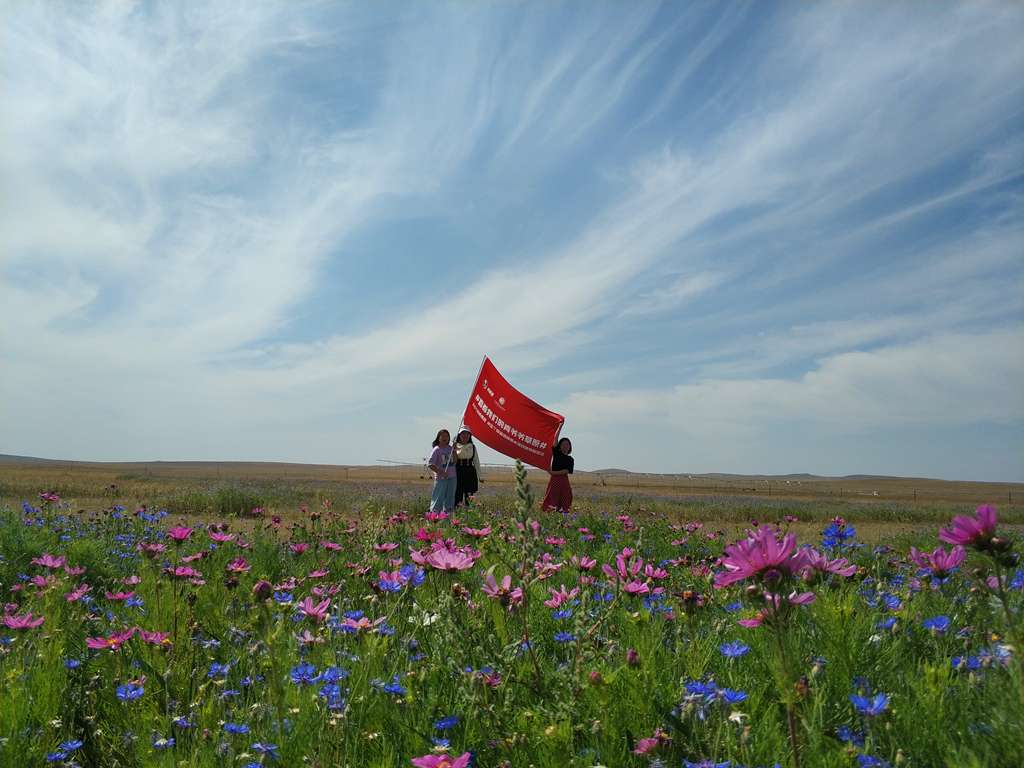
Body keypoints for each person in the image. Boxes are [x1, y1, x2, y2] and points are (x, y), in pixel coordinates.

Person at [428, 429, 457, 513]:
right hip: (441, 479)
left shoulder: (450, 449)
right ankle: (434, 517)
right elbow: (430, 464)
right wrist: (440, 472)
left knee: (450, 499)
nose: (445, 438)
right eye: (443, 436)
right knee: (438, 499)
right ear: (439, 438)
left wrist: (454, 450)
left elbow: (455, 461)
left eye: (447, 436)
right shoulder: (436, 450)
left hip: (452, 478)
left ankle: (447, 519)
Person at [541, 437, 573, 512]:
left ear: (570, 447)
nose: (565, 446)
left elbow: (566, 471)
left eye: (567, 444)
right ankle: (550, 512)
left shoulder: (570, 459)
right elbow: (555, 440)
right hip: (554, 480)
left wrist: (552, 473)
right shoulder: (557, 454)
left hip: (564, 481)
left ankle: (563, 513)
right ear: (560, 446)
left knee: (566, 497)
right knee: (553, 497)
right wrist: (559, 427)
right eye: (563, 444)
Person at [453, 426, 481, 507]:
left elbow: (476, 461)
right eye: (463, 434)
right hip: (458, 471)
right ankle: (457, 514)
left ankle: (469, 514)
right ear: (459, 435)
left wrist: (480, 476)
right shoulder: (455, 446)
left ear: (470, 436)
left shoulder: (472, 447)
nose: (465, 436)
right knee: (457, 494)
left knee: (469, 495)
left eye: (467, 434)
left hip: (470, 472)